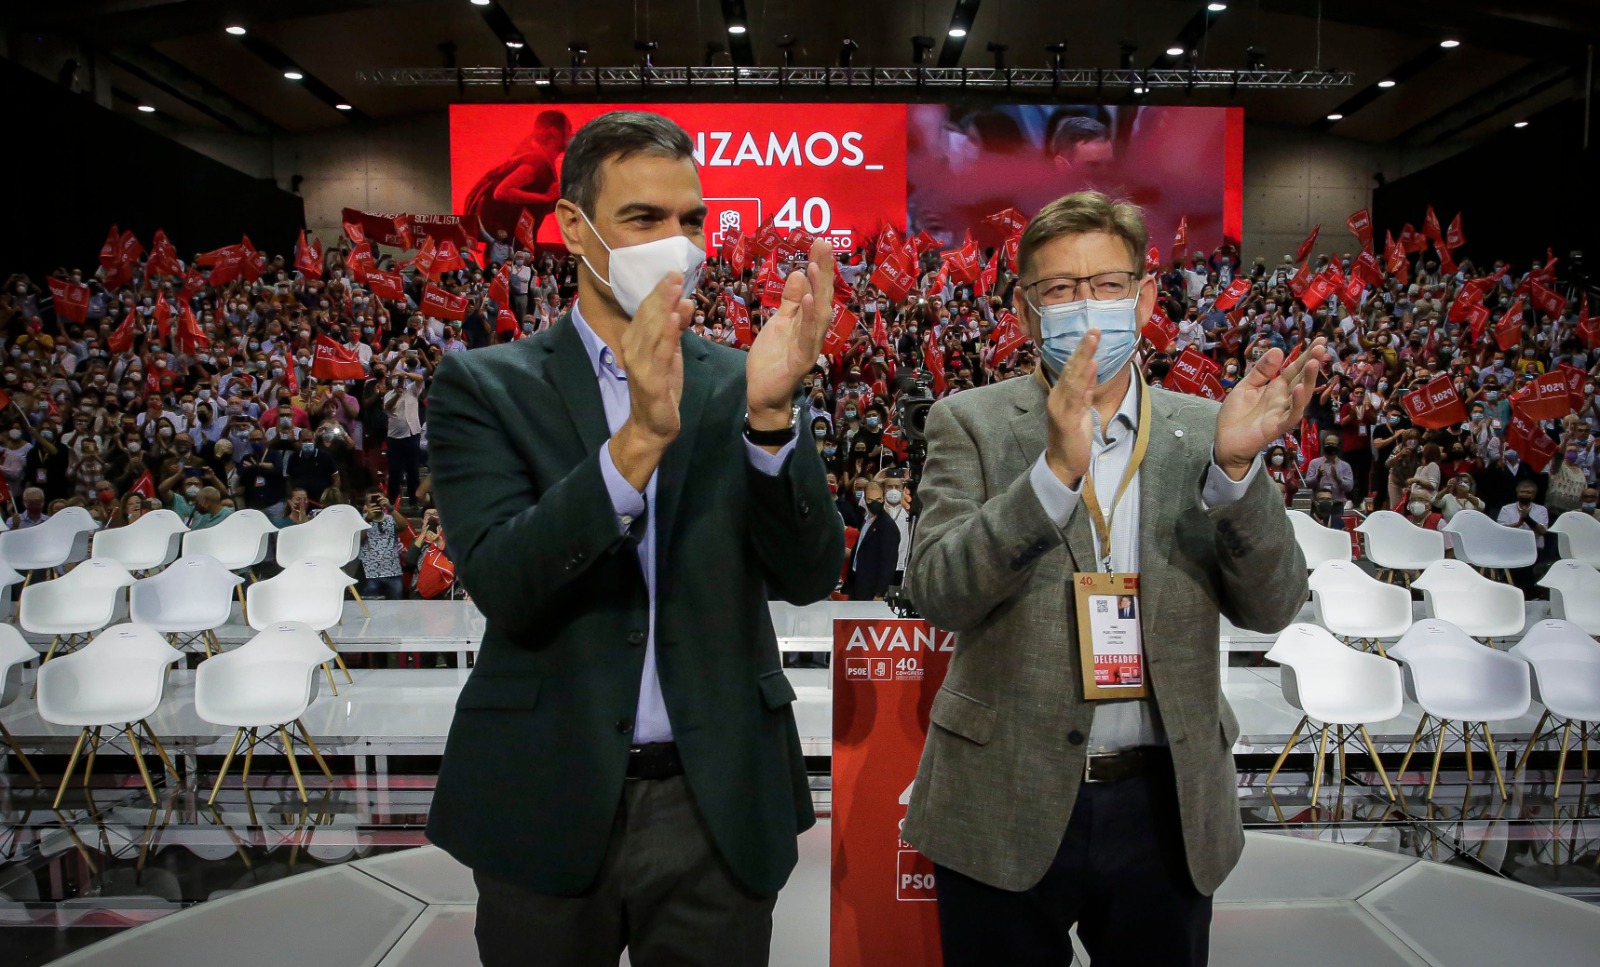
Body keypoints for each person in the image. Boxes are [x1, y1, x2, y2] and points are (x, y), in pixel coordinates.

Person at [425, 110, 844, 967]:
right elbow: (504, 580)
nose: (678, 242)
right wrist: (638, 444)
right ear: (575, 228)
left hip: (716, 796)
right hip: (547, 789)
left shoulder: (744, 376)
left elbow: (809, 573)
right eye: (644, 220)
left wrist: (769, 420)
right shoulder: (485, 385)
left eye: (691, 219)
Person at [903, 191, 1322, 967]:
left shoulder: (1209, 429)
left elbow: (1272, 605)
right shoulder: (970, 421)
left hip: (1162, 804)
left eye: (1107, 284)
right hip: (1003, 791)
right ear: (1026, 312)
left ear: (1146, 296)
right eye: (1059, 290)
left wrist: (1236, 474)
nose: (1086, 306)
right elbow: (936, 590)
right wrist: (1052, 477)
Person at [846, 479, 900, 601]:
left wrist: (880, 593)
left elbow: (888, 563)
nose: (874, 503)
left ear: (884, 497)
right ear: (865, 499)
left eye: (878, 499)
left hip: (872, 589)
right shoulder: (866, 520)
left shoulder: (887, 526)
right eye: (870, 500)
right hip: (858, 582)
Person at [357, 489, 407, 600]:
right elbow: (358, 539)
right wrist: (368, 520)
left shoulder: (391, 519)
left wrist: (391, 508)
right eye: (372, 500)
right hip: (370, 574)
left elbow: (404, 527)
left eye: (378, 499)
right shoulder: (359, 521)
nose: (376, 503)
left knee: (396, 609)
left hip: (393, 572)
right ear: (366, 504)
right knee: (372, 609)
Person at [1303, 433, 1355, 507]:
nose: (1330, 446)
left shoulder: (1345, 466)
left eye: (1333, 444)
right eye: (1328, 444)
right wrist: (1318, 477)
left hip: (1337, 504)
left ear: (1338, 446)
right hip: (1318, 504)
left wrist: (1337, 479)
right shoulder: (1314, 463)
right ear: (1323, 445)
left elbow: (1349, 487)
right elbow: (1308, 484)